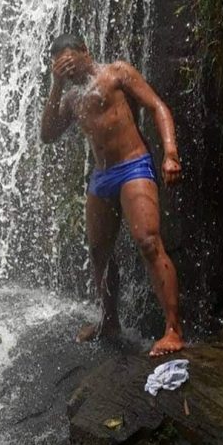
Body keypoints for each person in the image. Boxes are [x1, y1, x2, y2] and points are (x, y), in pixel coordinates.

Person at [40, 33, 185, 356]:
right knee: (98, 252)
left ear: (85, 51)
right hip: (102, 176)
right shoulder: (71, 97)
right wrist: (56, 85)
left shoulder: (117, 73)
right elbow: (47, 135)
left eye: (71, 64)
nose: (71, 73)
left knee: (148, 241)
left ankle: (174, 329)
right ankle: (109, 320)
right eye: (62, 69)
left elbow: (157, 105)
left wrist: (170, 152)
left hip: (133, 165)